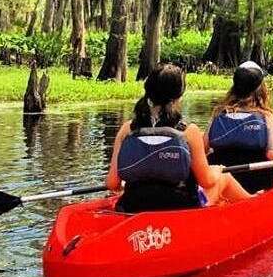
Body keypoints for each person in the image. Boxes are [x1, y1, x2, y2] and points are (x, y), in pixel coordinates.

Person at [106, 64, 252, 213]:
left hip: (133, 206)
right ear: (179, 96)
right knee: (224, 178)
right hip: (181, 209)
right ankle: (256, 205)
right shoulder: (189, 132)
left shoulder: (127, 129)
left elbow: (112, 183)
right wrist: (217, 170)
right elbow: (206, 181)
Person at [206, 61, 273, 193]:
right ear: (260, 89)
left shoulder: (219, 113)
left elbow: (203, 147)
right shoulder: (265, 116)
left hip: (221, 181)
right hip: (256, 183)